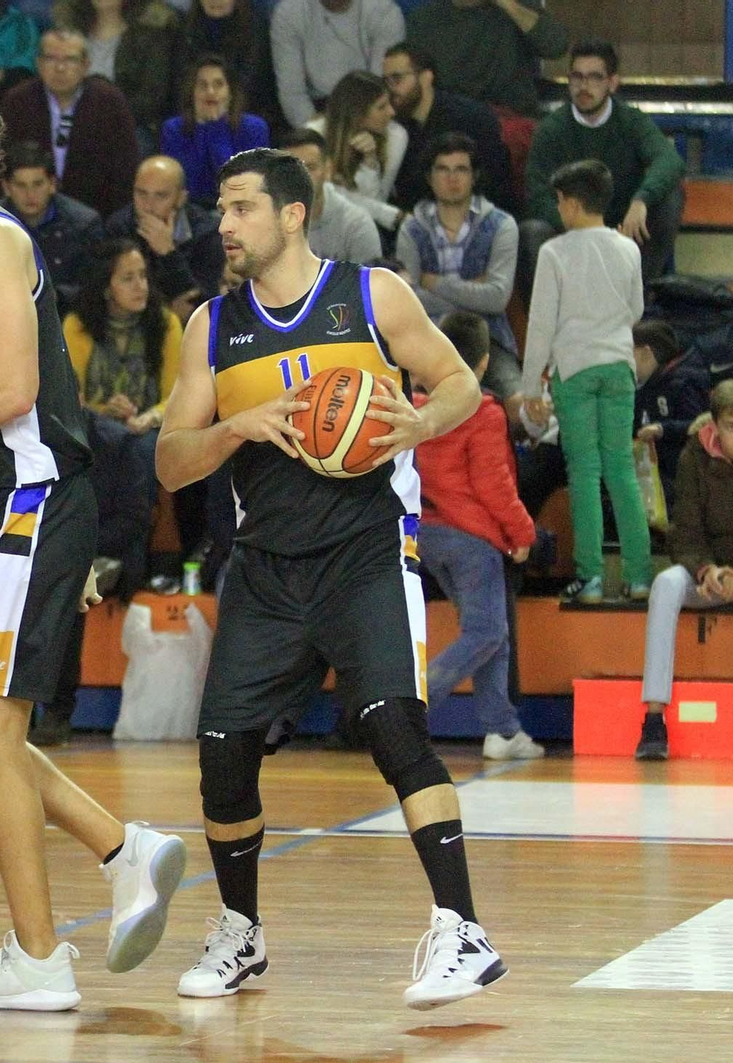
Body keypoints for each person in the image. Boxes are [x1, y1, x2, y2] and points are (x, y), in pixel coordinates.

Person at [155, 146, 505, 1008]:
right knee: (222, 760)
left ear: (293, 214)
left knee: (393, 728)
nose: (224, 225)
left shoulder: (372, 293)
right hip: (266, 566)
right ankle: (242, 933)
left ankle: (463, 930)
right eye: (222, 209)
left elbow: (460, 383)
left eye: (241, 208)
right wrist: (239, 426)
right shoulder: (212, 325)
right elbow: (169, 463)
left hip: (366, 550)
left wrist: (415, 423)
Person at [0, 78, 187, 1008]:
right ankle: (120, 844)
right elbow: (0, 414)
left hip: (35, 502)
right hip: (13, 507)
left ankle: (41, 959)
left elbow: (13, 391)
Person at [519, 159, 652, 605]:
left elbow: (540, 326)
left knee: (584, 473)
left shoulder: (555, 253)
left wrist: (531, 390)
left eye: (559, 202)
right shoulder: (628, 249)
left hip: (573, 371)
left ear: (572, 203)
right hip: (618, 367)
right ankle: (639, 577)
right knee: (621, 471)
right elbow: (635, 311)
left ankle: (591, 578)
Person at [414, 312, 542, 760]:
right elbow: (494, 484)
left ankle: (502, 731)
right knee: (487, 631)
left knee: (493, 632)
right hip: (471, 538)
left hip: (427, 535)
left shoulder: (417, 405)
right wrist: (523, 531)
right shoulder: (482, 411)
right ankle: (412, 708)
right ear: (485, 363)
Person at [634, 379, 733, 761]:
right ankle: (653, 721)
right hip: (709, 573)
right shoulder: (692, 457)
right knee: (665, 585)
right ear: (715, 426)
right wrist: (707, 571)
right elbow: (685, 530)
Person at [65, 237, 181, 594]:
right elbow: (70, 399)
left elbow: (177, 396)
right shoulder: (77, 327)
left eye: (143, 276)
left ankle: (123, 568)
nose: (141, 286)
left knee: (140, 449)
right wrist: (103, 411)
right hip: (96, 427)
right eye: (128, 278)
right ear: (105, 286)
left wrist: (146, 418)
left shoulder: (166, 325)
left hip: (150, 429)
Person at [523, 40, 686, 284]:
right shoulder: (551, 130)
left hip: (623, 231)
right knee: (532, 231)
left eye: (595, 77)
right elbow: (537, 195)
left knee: (670, 198)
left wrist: (642, 200)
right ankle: (551, 318)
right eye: (577, 77)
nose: (584, 86)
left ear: (612, 82)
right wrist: (578, 226)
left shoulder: (631, 121)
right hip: (570, 229)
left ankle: (638, 302)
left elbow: (669, 160)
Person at [394, 133, 520, 399]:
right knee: (404, 399)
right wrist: (473, 293)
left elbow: (497, 299)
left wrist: (435, 283)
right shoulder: (412, 229)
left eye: (461, 169)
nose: (452, 178)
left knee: (518, 403)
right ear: (429, 177)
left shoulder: (501, 225)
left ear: (474, 176)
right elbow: (407, 300)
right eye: (443, 169)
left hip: (488, 339)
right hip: (427, 338)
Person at [0, 29, 140, 219]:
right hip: (24, 218)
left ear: (86, 65)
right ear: (39, 64)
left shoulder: (109, 102)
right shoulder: (17, 102)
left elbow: (124, 172)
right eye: (51, 59)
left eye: (70, 60)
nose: (60, 68)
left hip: (95, 217)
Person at [383, 43, 513, 214]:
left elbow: (494, 184)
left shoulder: (470, 118)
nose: (390, 89)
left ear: (426, 77)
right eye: (386, 81)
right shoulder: (393, 125)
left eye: (397, 79)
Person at [104, 154, 226, 323]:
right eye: (141, 193)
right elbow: (114, 296)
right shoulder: (119, 227)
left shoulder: (207, 232)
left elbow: (201, 303)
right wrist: (166, 312)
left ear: (181, 198)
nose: (148, 205)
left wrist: (168, 253)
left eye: (160, 196)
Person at [404, 0, 568, 121]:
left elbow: (556, 47)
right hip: (454, 123)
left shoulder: (516, 7)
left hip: (514, 120)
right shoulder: (424, 20)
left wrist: (508, 5)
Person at [51, 0, 181, 147]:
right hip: (73, 122)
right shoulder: (69, 36)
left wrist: (109, 115)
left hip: (128, 124)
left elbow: (152, 96)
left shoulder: (149, 37)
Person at [0, 138, 103, 311]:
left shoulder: (84, 225)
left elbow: (97, 285)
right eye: (21, 185)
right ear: (7, 188)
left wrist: (58, 295)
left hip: (68, 318)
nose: (30, 194)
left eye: (38, 184)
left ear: (52, 184)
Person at [270, 0, 403, 129]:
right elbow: (292, 93)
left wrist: (362, 131)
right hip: (317, 108)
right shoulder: (289, 12)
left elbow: (380, 85)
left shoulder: (385, 11)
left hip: (368, 105)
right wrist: (320, 134)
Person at [160, 54, 271, 205]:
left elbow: (239, 184)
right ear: (192, 92)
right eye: (202, 85)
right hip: (189, 210)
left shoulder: (254, 128)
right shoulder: (173, 129)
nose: (210, 91)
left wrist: (215, 128)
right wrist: (201, 125)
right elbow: (185, 185)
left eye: (218, 84)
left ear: (230, 92)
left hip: (239, 207)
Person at [306, 70, 407, 233]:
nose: (392, 112)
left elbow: (376, 201)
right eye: (381, 107)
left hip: (366, 227)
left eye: (390, 103)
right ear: (357, 113)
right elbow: (317, 195)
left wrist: (370, 162)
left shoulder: (397, 136)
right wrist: (391, 215)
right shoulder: (316, 132)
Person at [176, 0, 281, 135]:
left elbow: (254, 82)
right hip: (194, 116)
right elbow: (182, 80)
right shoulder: (186, 29)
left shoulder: (256, 28)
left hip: (244, 114)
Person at [632, 319, 710, 500]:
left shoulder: (683, 382)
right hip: (651, 469)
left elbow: (699, 426)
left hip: (679, 475)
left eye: (630, 353)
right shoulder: (643, 384)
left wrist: (662, 429)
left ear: (645, 353)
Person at [279, 127, 380, 265]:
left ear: (327, 170)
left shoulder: (356, 225)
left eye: (311, 167)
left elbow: (370, 284)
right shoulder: (264, 219)